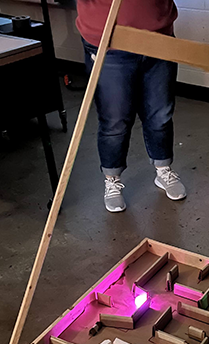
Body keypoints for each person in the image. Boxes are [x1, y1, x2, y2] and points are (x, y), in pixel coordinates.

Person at [76, 0, 187, 212]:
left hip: (158, 37)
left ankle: (163, 169)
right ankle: (112, 179)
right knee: (115, 119)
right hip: (109, 40)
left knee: (160, 113)